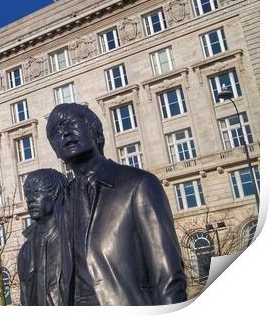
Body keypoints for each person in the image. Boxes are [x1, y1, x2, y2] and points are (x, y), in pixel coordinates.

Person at [46, 103, 187, 305]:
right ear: (56, 151)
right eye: (57, 131)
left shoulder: (138, 184)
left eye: (72, 123)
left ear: (97, 133)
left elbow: (167, 276)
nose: (66, 133)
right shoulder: (61, 203)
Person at [17, 168, 70, 305]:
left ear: (56, 193)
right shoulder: (26, 251)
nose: (30, 200)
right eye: (28, 194)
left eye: (36, 192)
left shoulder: (74, 238)